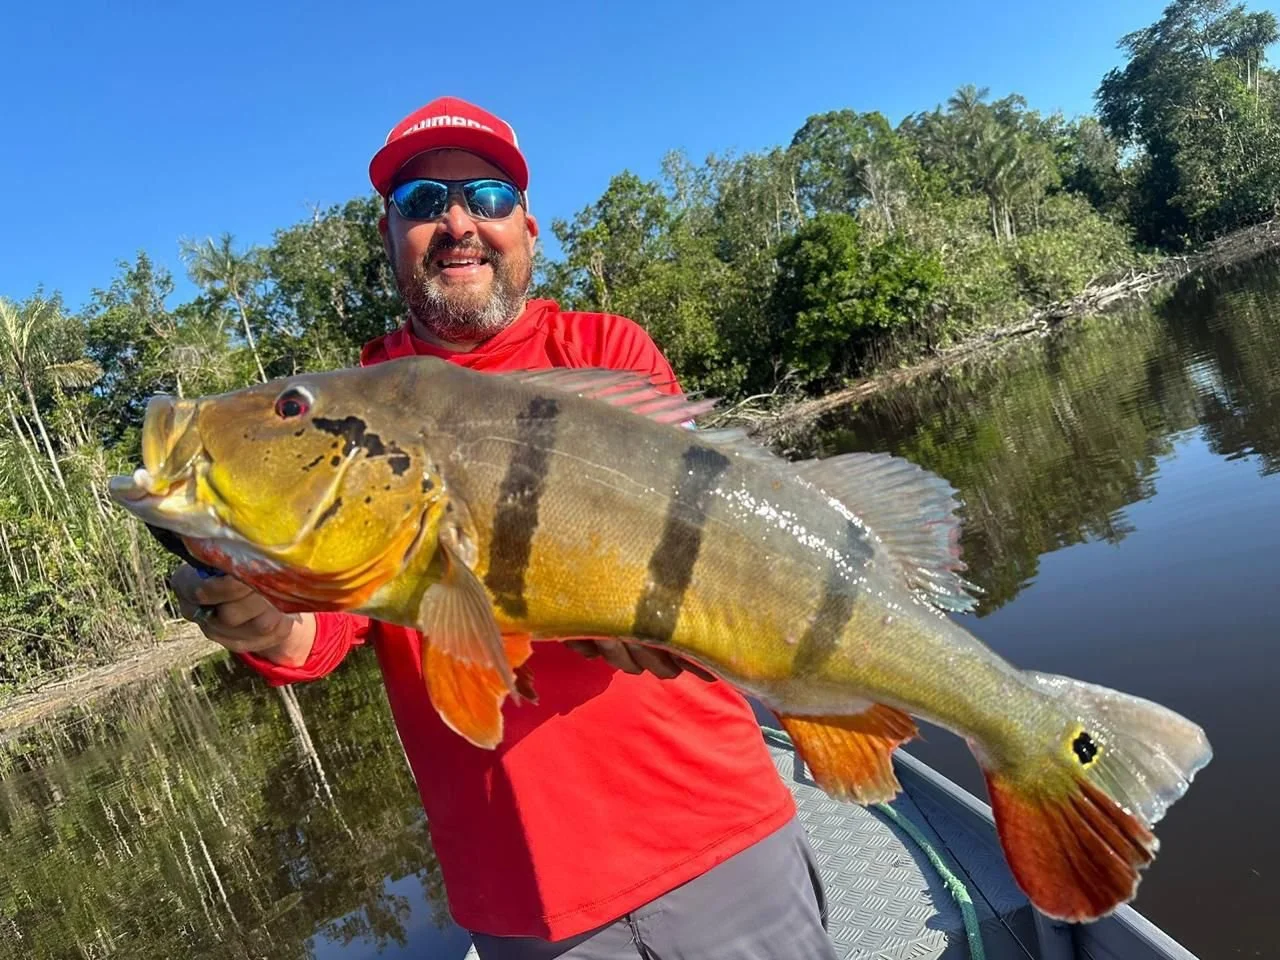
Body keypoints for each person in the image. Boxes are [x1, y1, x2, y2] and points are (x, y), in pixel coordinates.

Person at [171, 96, 837, 960]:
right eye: (421, 202)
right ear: (388, 236)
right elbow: (331, 619)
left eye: (484, 196)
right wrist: (269, 618)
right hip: (525, 898)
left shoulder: (605, 351)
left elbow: (690, 558)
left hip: (715, 838)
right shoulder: (351, 407)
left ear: (527, 227)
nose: (456, 223)